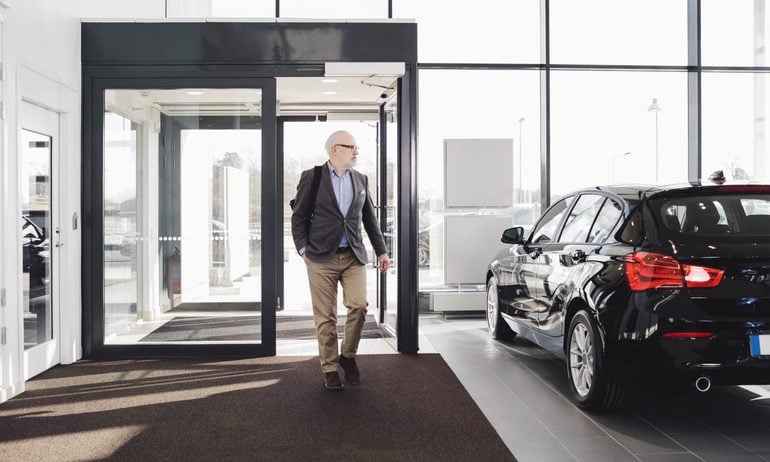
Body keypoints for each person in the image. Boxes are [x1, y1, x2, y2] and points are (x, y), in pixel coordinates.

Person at [291, 130, 389, 391]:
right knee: (326, 317)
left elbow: (370, 220)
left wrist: (381, 251)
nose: (356, 151)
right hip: (320, 258)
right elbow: (298, 217)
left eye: (356, 147)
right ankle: (330, 368)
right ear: (335, 149)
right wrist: (303, 250)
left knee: (359, 305)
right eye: (351, 147)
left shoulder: (361, 179)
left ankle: (348, 355)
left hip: (353, 256)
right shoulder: (312, 177)